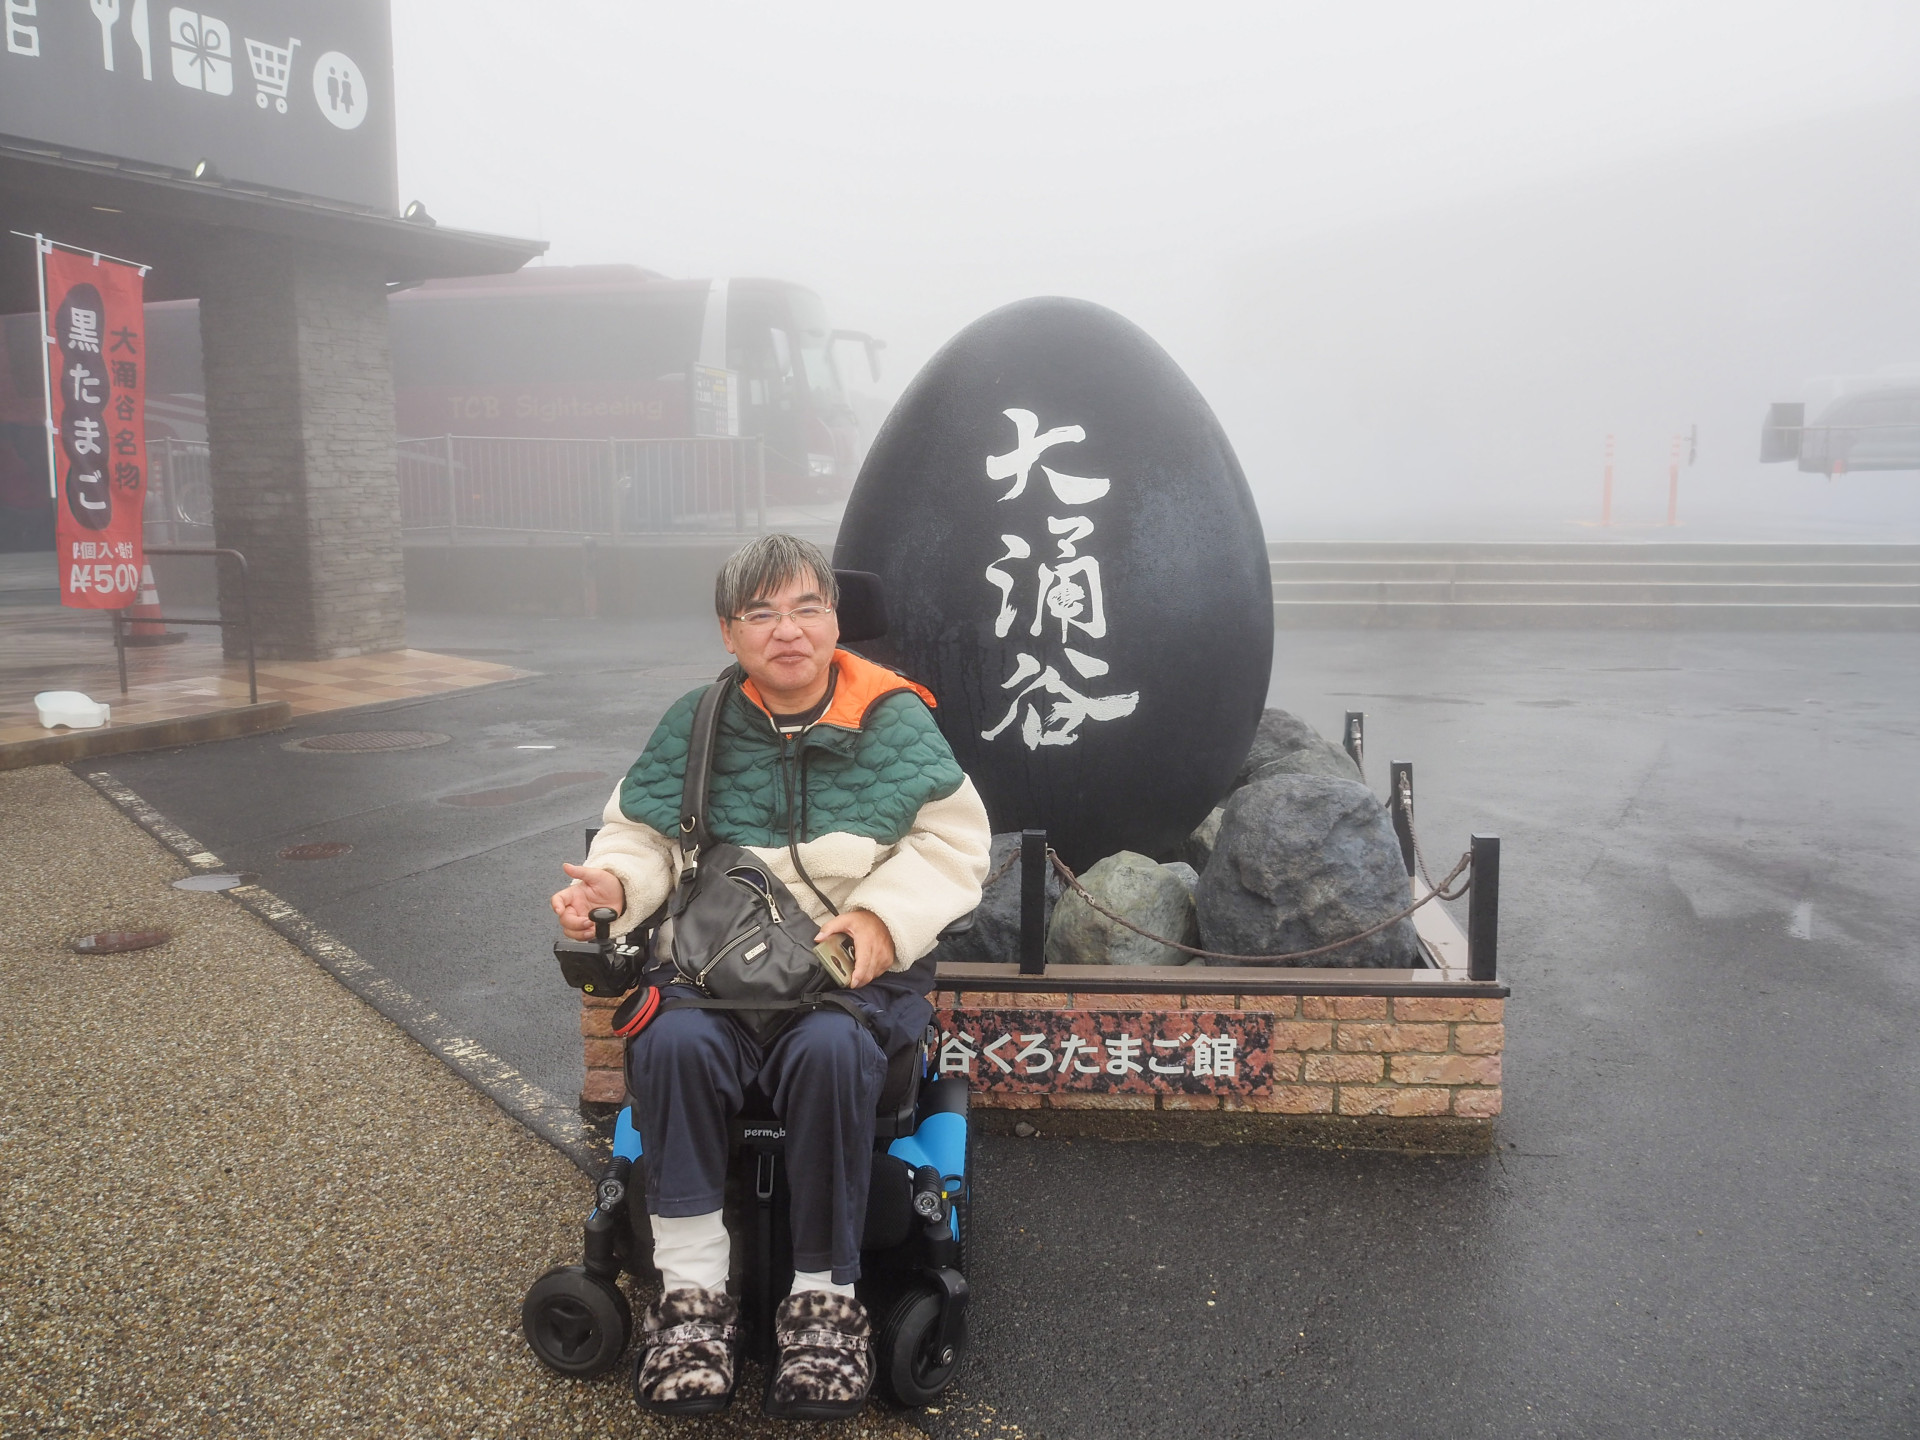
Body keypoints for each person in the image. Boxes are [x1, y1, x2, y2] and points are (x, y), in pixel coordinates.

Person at [550, 533, 991, 1420]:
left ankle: (824, 1305)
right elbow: (641, 836)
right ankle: (692, 1304)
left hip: (843, 976)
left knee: (830, 1049)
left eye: (805, 608)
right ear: (729, 632)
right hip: (715, 972)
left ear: (833, 619)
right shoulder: (697, 722)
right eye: (761, 614)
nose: (786, 631)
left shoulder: (896, 720)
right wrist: (615, 885)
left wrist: (878, 918)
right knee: (669, 1041)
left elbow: (953, 847)